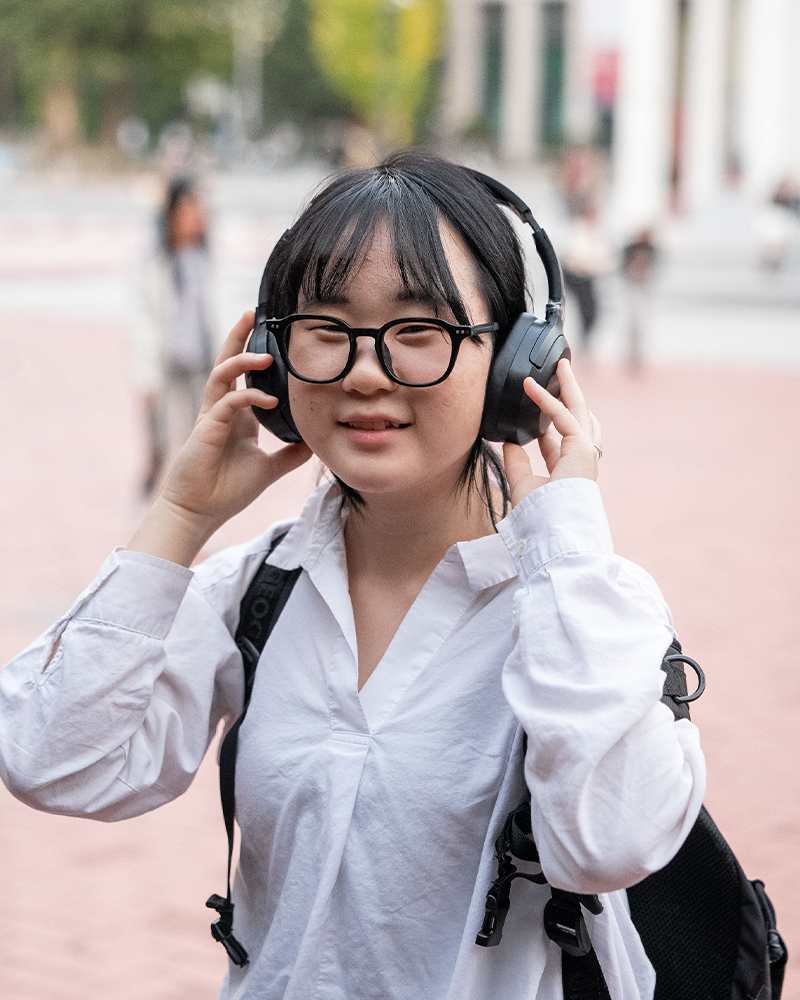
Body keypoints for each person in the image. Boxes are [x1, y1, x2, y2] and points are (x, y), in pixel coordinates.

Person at [0, 153, 704, 1000]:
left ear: (520, 362)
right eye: (326, 330)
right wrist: (180, 519)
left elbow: (610, 842)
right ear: (271, 351)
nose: (365, 370)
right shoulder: (258, 592)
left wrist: (565, 535)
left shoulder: (583, 605)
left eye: (420, 332)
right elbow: (51, 759)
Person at [132, 176, 218, 496]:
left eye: (200, 206)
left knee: (201, 442)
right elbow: (142, 323)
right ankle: (144, 499)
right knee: (160, 443)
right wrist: (145, 377)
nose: (198, 214)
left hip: (201, 364)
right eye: (190, 206)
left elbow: (217, 315)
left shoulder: (207, 261)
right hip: (165, 365)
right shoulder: (155, 265)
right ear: (171, 214)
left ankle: (197, 513)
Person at [621, 229, 657, 373]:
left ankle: (639, 355)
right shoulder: (630, 248)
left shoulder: (651, 249)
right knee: (631, 323)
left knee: (642, 324)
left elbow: (654, 268)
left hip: (644, 288)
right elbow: (623, 268)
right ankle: (630, 354)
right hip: (632, 287)